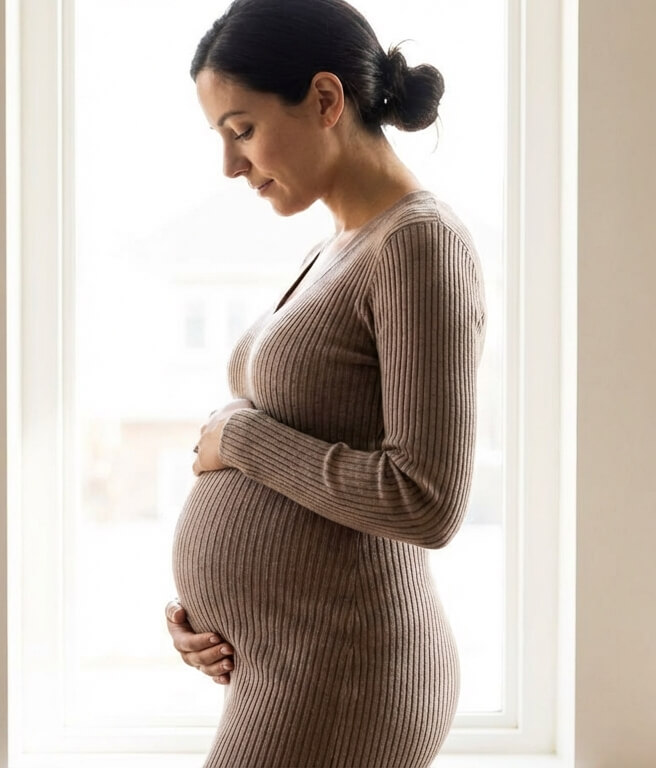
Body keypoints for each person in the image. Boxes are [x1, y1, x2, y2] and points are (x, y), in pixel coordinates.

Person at [166, 1, 485, 765]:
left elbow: (426, 498)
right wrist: (213, 615)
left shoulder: (419, 246)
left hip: (348, 668)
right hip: (291, 661)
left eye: (242, 129)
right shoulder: (343, 242)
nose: (230, 165)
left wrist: (241, 439)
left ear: (326, 100)